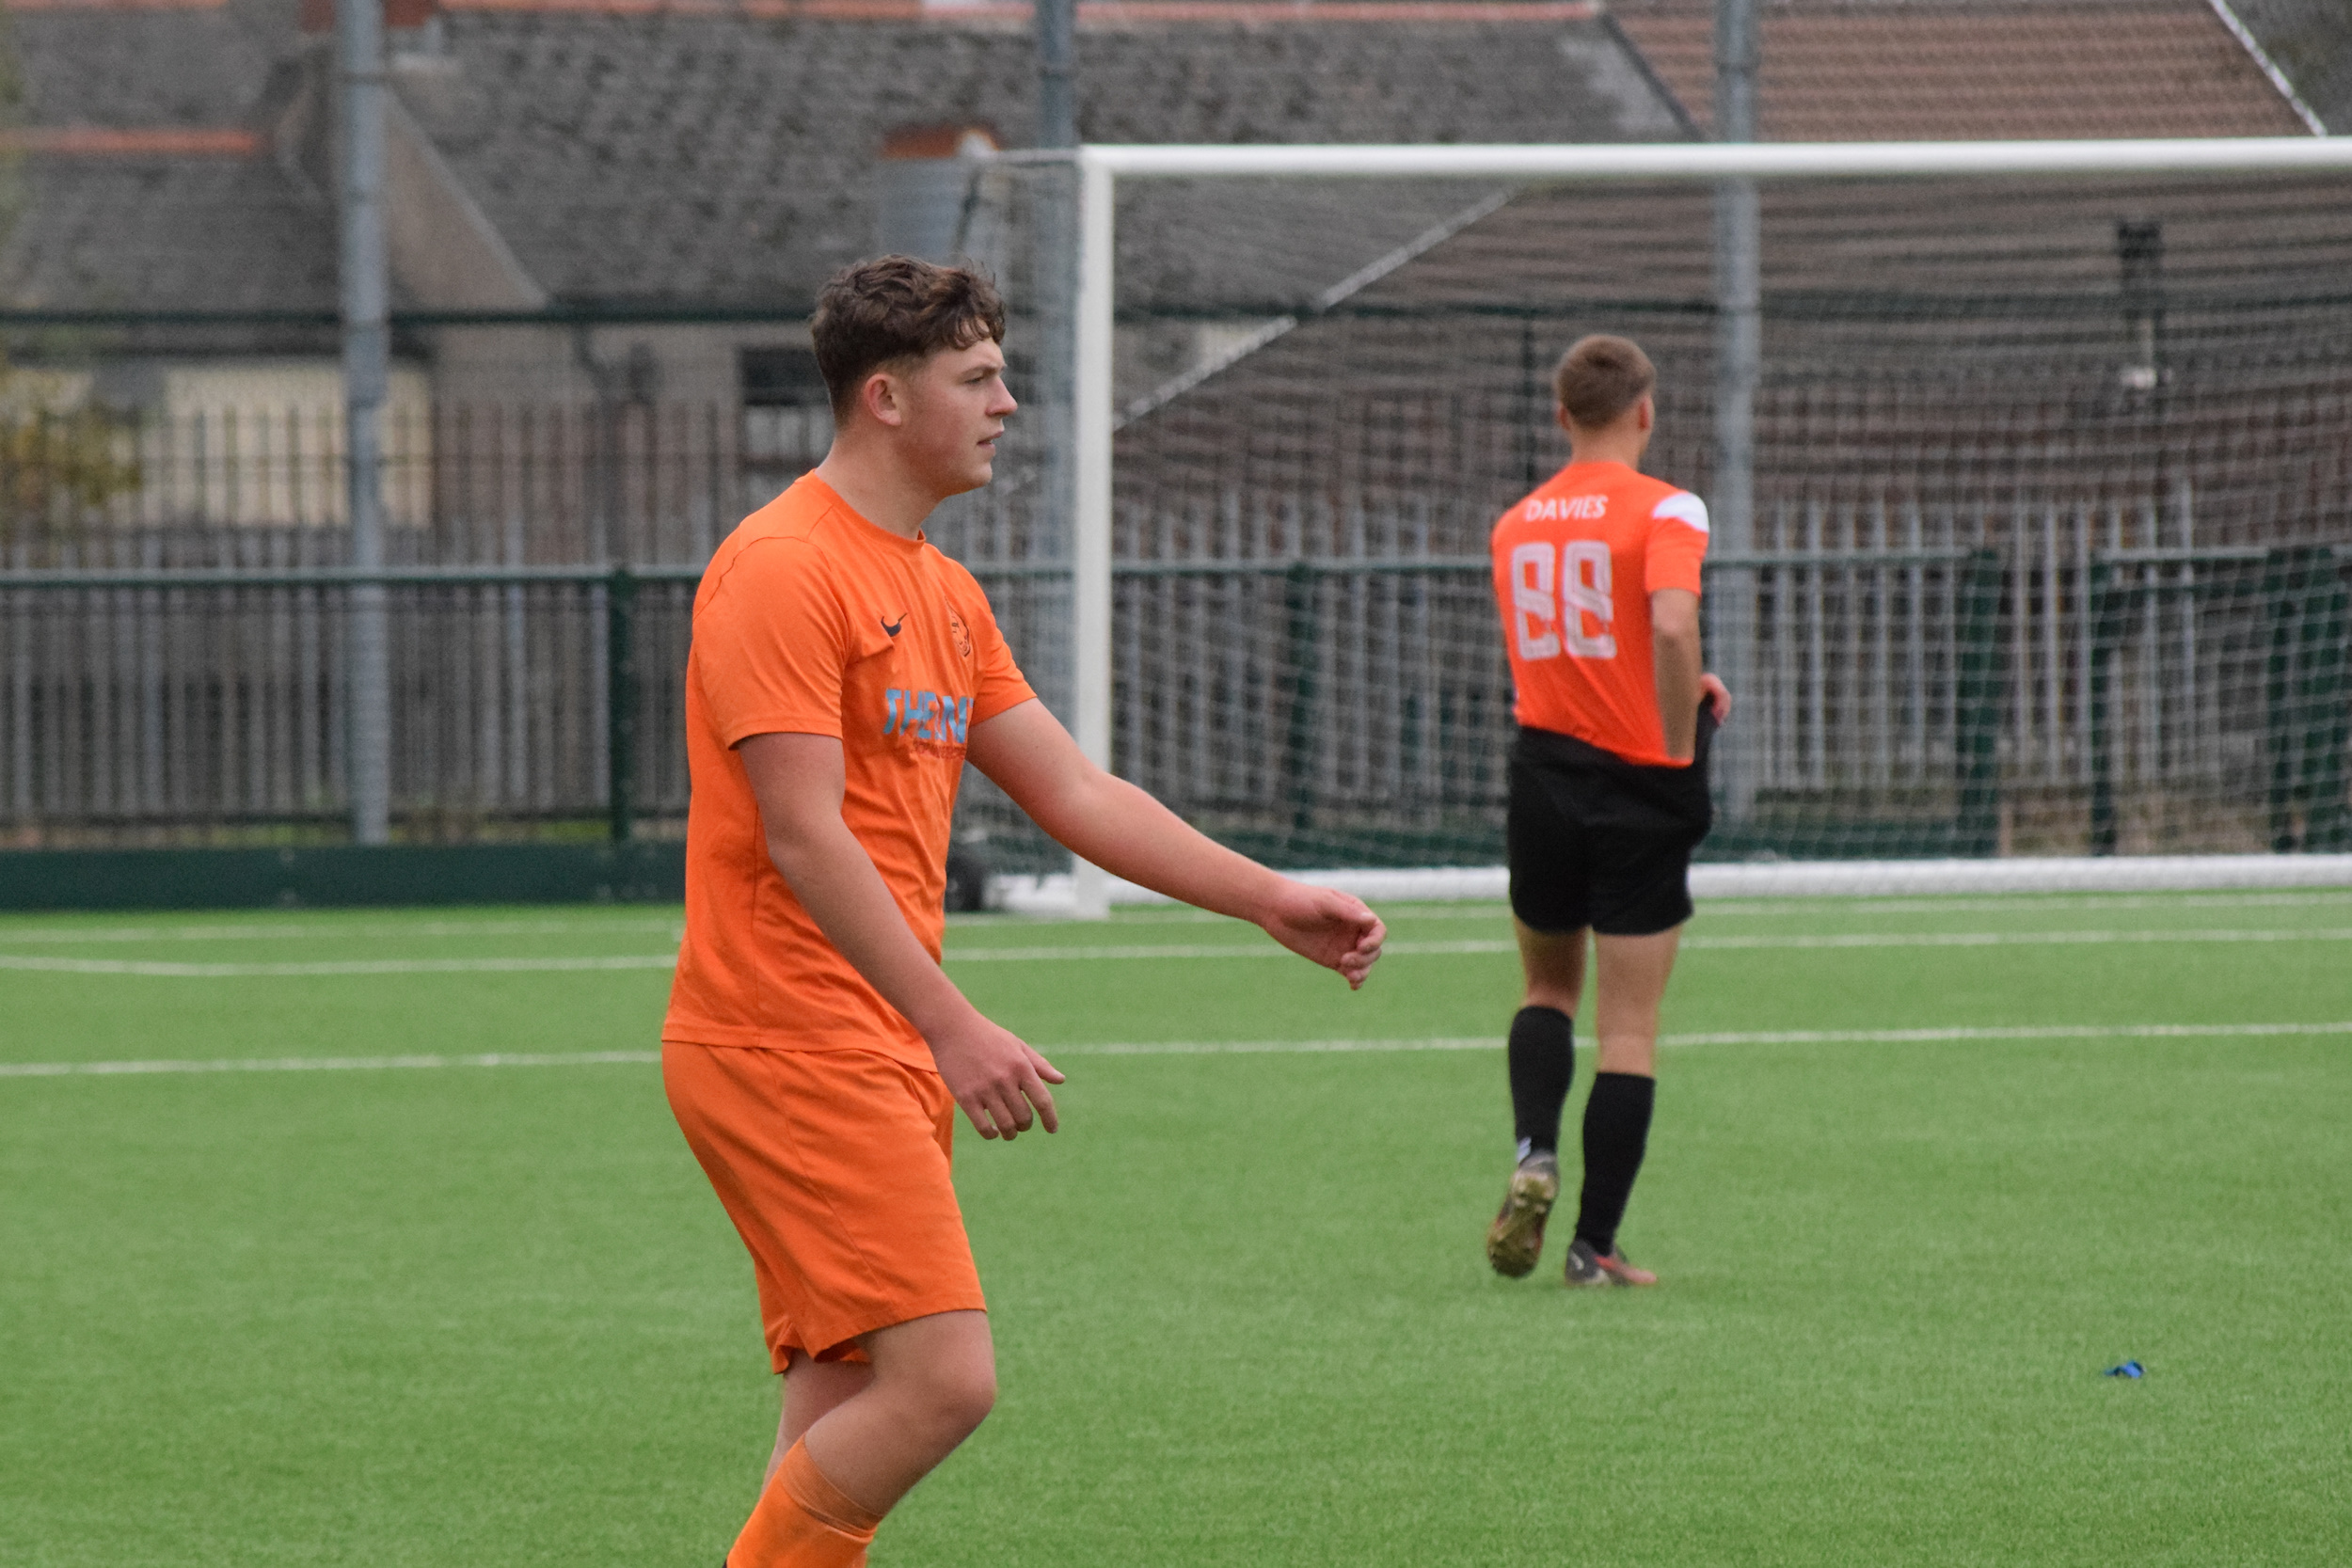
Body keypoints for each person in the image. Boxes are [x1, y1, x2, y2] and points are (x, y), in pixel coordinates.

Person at [661, 255, 1387, 1568]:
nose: (1010, 402)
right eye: (979, 377)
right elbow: (804, 834)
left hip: (866, 1039)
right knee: (945, 1379)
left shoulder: (940, 589)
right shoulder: (780, 567)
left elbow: (1072, 788)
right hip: (786, 1038)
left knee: (841, 1403)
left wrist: (1267, 896)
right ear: (884, 397)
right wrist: (952, 1021)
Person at [1480, 334, 1731, 1289]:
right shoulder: (1668, 505)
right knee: (1628, 1027)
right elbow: (1666, 620)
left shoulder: (1516, 523)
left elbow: (1579, 651)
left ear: (1560, 415)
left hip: (1541, 771)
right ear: (1644, 410)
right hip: (1636, 781)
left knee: (1546, 990)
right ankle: (1594, 1244)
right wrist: (1674, 732)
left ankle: (1533, 1150)